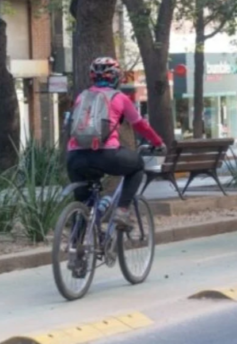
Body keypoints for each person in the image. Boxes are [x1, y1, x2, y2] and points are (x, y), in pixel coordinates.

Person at [67, 57, 165, 228]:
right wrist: (157, 142)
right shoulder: (119, 97)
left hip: (75, 156)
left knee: (84, 204)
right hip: (106, 154)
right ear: (116, 77)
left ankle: (78, 249)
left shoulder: (81, 96)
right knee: (137, 167)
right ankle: (122, 210)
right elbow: (139, 124)